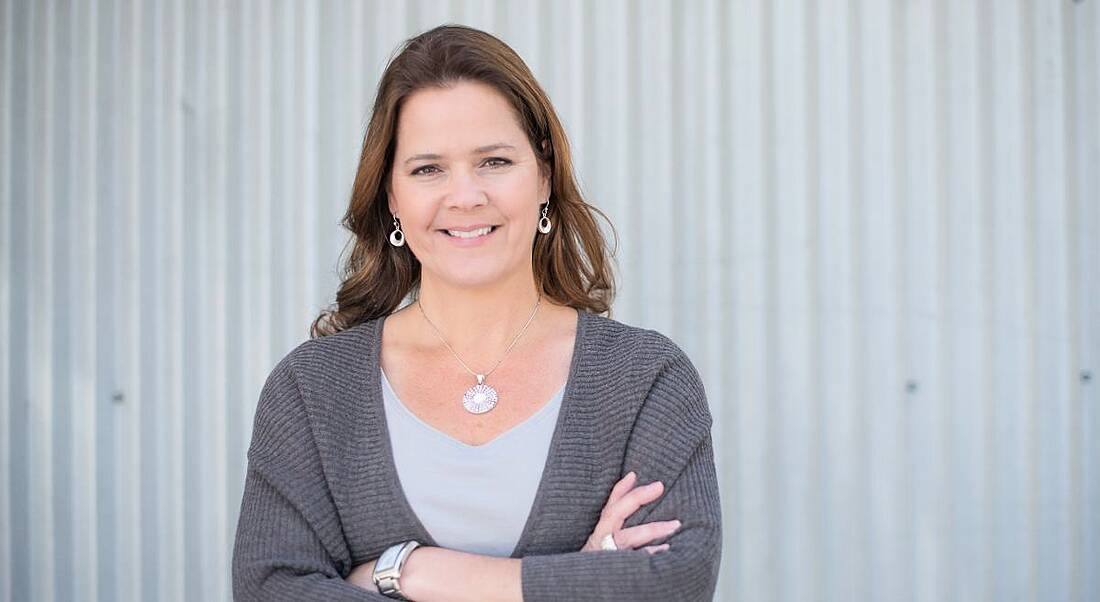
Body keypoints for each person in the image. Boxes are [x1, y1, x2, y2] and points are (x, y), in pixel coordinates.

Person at [232, 23, 722, 602]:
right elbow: (271, 589)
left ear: (544, 175)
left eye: (493, 161)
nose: (464, 196)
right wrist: (573, 579)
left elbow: (674, 584)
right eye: (426, 169)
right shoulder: (312, 390)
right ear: (391, 195)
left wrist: (408, 573)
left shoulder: (643, 379)